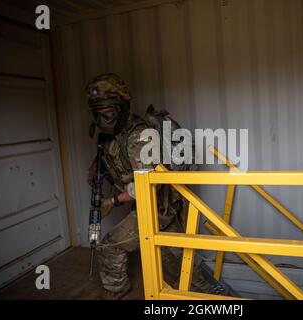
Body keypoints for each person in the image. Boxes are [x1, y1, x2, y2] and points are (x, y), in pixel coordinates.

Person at [86, 73, 213, 299]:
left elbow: (145, 186)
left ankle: (115, 290)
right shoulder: (111, 136)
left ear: (122, 106)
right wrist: (97, 171)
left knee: (111, 246)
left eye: (109, 112)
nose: (104, 119)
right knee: (172, 261)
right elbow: (111, 163)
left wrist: (112, 201)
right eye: (98, 113)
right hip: (158, 205)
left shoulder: (137, 136)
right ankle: (207, 294)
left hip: (157, 206)